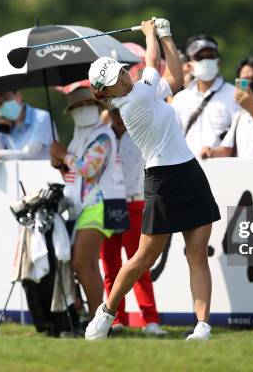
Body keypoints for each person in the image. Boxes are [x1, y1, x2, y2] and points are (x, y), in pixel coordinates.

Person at [85, 18, 220, 341]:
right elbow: (152, 63)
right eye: (115, 79)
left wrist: (167, 35)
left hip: (189, 172)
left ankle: (202, 326)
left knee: (197, 253)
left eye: (120, 71)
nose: (122, 77)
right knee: (144, 257)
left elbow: (174, 77)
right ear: (105, 92)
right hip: (161, 179)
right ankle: (106, 313)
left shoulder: (143, 91)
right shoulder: (133, 102)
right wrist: (150, 34)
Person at [49, 86, 126, 320]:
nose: (82, 110)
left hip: (100, 205)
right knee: (86, 265)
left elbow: (89, 168)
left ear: (97, 107)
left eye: (86, 105)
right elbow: (74, 175)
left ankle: (97, 321)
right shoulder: (77, 139)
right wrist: (60, 163)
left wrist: (64, 156)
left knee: (82, 264)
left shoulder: (103, 134)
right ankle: (96, 319)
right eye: (76, 108)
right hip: (83, 207)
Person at [101, 107, 166, 335]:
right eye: (114, 112)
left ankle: (150, 320)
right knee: (110, 265)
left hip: (134, 201)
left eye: (121, 112)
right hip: (107, 204)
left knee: (138, 264)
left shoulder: (139, 133)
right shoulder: (102, 135)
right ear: (108, 113)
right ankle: (116, 319)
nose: (118, 117)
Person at [171, 34, 238, 158]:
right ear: (189, 65)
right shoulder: (180, 99)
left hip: (226, 170)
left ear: (218, 62)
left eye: (210, 56)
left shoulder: (235, 95)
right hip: (188, 171)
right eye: (199, 57)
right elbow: (172, 140)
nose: (205, 61)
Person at [203, 56, 253, 158]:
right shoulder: (240, 114)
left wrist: (252, 109)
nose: (249, 85)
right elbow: (228, 149)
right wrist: (211, 152)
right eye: (244, 81)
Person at [0, 91, 55, 169]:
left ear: (19, 95)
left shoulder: (42, 117)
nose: (3, 105)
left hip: (46, 177)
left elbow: (29, 154)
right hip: (21, 179)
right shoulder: (5, 127)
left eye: (5, 98)